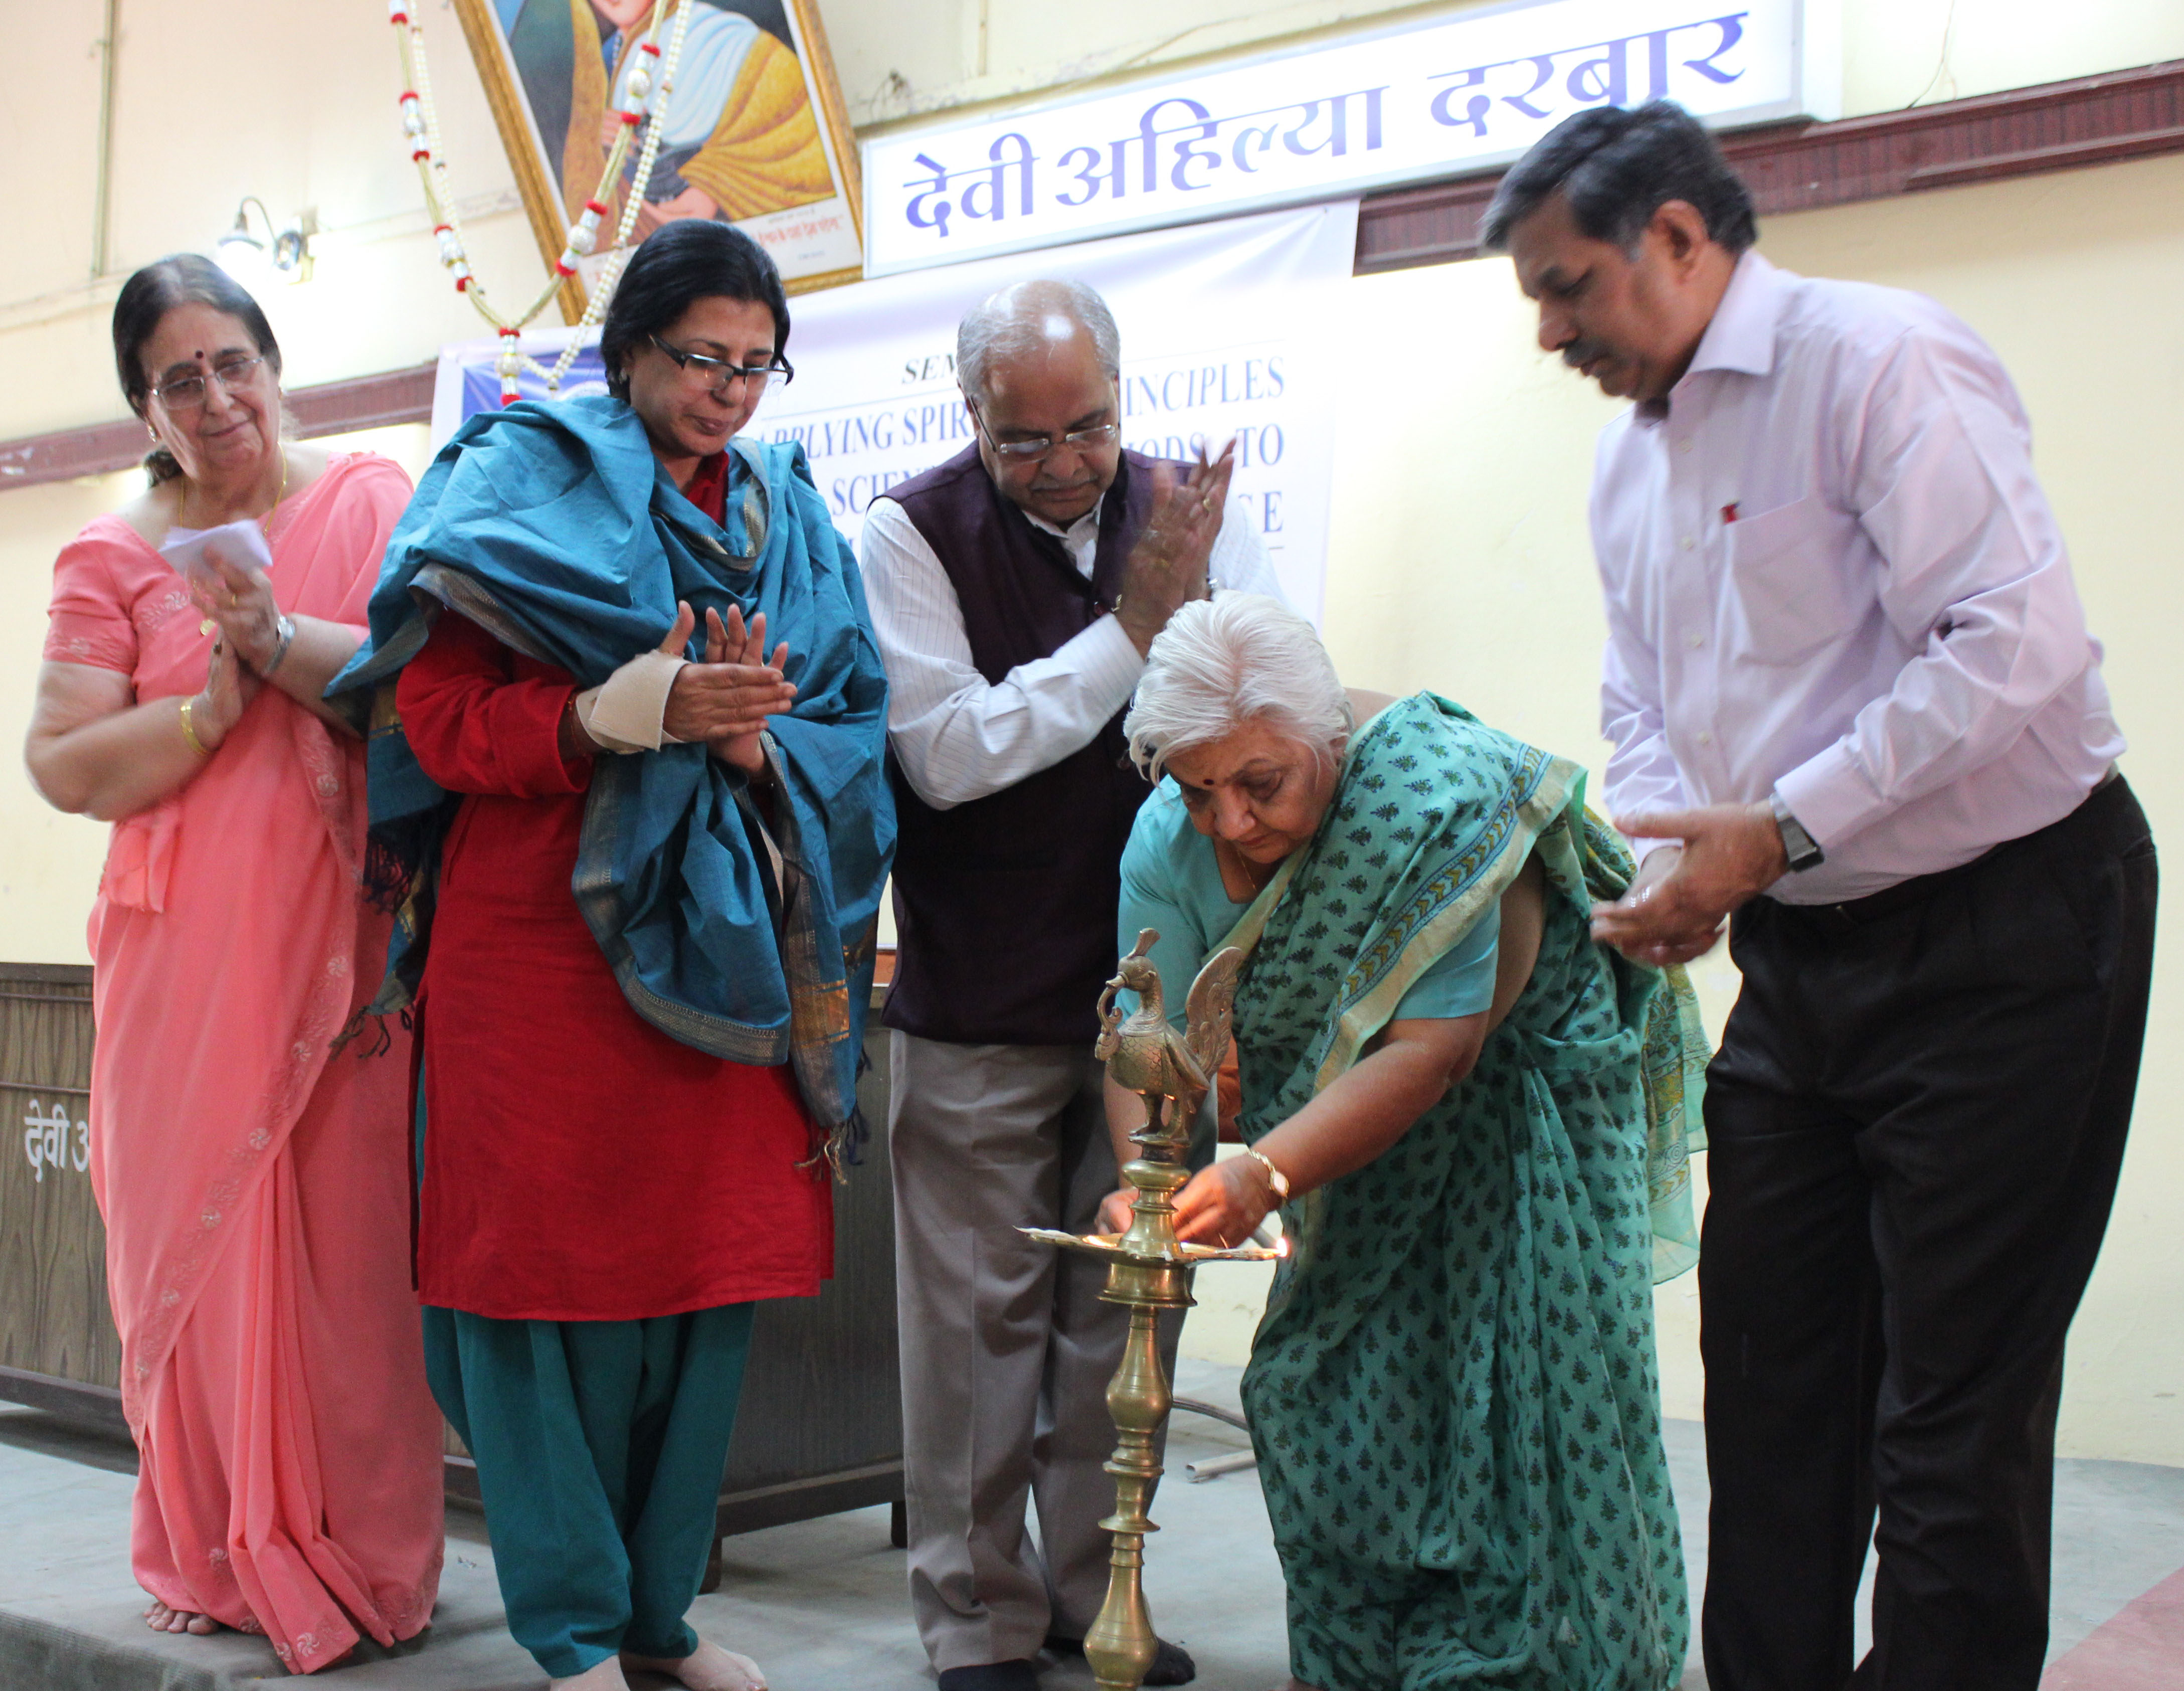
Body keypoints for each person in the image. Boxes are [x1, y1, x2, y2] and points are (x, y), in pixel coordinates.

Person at [1481, 101, 2157, 1691]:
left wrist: (1774, 831)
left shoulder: (1877, 362)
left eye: (1566, 285)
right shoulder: (1620, 465)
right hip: (1801, 955)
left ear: (1675, 236)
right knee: (1773, 1391)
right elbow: (1641, 703)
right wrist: (1674, 868)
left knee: (1950, 1415)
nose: (1548, 330)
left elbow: (2009, 641)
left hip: (2012, 929)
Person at [327, 219, 892, 1691]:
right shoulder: (519, 479)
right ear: (631, 344)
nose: (728, 392)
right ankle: (571, 1628)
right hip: (541, 955)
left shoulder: (793, 516)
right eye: (702, 357)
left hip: (728, 960)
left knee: (703, 1286)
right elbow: (433, 726)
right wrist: (612, 717)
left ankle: (659, 1618)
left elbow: (853, 721)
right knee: (535, 1291)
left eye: (756, 365)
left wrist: (767, 744)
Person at [1115, 593, 1703, 1691]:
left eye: (1262, 785)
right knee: (1318, 1390)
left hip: (1516, 1138)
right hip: (1341, 1147)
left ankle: (1523, 1667)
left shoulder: (1438, 802)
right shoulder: (1172, 834)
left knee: (1510, 1410)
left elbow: (1436, 1052)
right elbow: (1144, 1031)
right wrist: (1143, 1173)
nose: (1230, 823)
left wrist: (1265, 1167)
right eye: (1200, 790)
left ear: (1331, 739)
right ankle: (1354, 1663)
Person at [859, 278, 1282, 1691]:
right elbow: (946, 753)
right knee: (975, 1335)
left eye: (1084, 428)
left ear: (1120, 392)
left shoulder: (1188, 510)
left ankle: (1097, 1601)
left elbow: (1271, 699)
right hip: (978, 1002)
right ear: (967, 413)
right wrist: (1132, 630)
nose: (1059, 464)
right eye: (1021, 439)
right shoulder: (908, 532)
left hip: (1154, 1012)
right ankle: (975, 1623)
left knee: (1120, 1321)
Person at [23, 255, 444, 1671]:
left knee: (348, 1265)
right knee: (185, 1253)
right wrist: (208, 710)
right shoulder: (115, 553)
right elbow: (67, 762)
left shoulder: (372, 502)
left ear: (275, 363)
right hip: (179, 957)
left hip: (347, 951)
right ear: (146, 404)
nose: (216, 399)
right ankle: (212, 1545)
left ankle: (365, 1559)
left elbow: (422, 694)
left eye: (233, 363)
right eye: (179, 379)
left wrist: (279, 649)